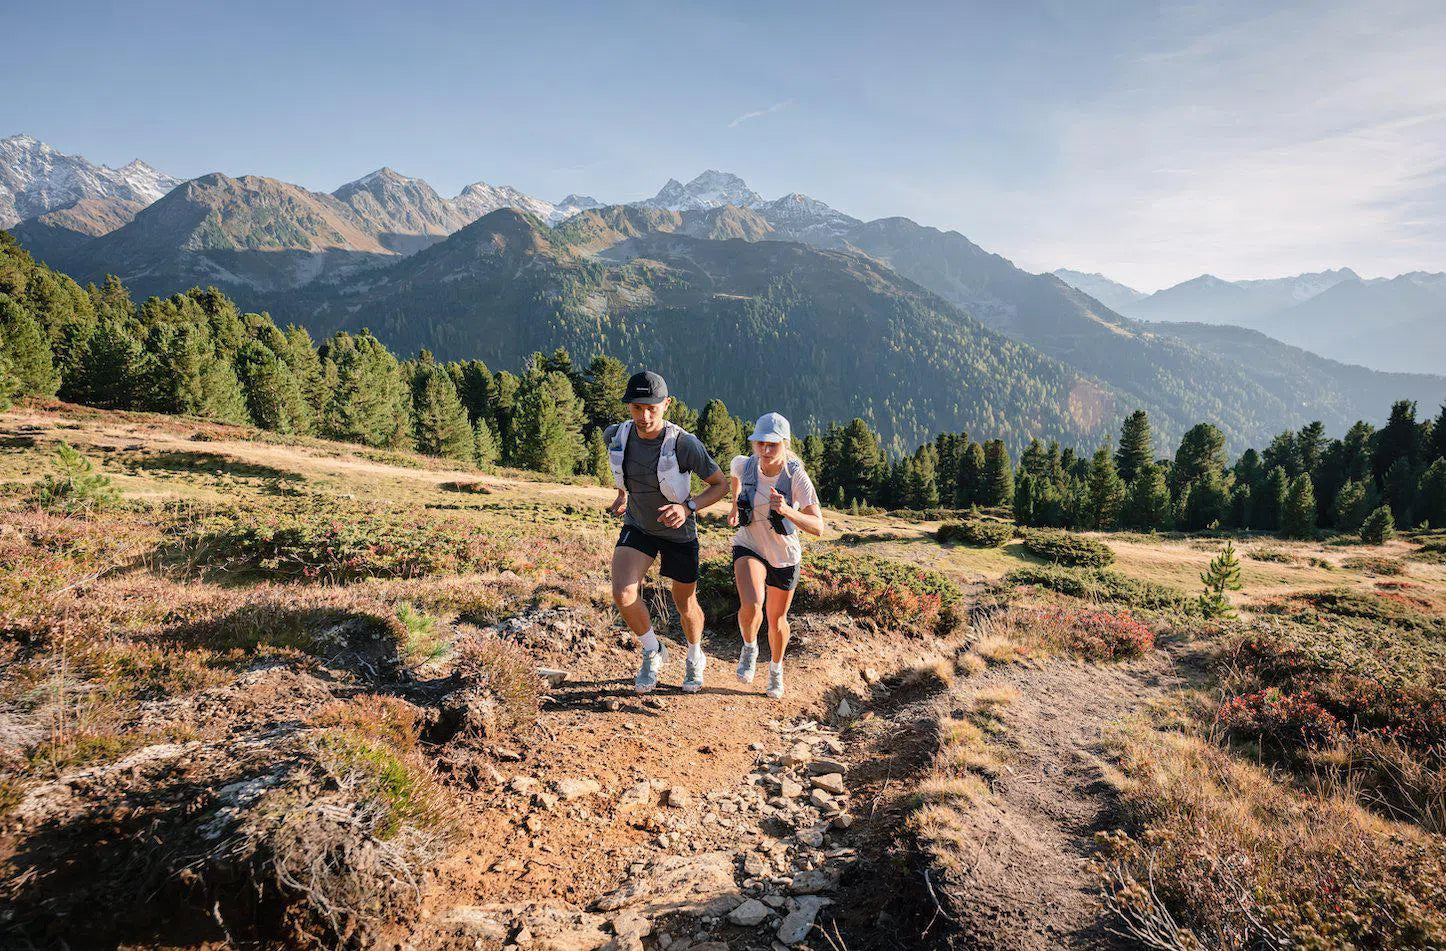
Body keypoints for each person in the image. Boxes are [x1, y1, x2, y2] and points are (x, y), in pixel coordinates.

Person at [605, 370, 728, 694]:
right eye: (637, 408)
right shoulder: (616, 436)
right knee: (623, 593)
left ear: (666, 404)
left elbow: (720, 485)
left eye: (652, 408)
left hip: (678, 533)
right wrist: (621, 495)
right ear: (629, 406)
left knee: (684, 603)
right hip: (639, 525)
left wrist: (688, 507)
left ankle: (694, 654)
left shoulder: (685, 444)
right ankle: (652, 650)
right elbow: (622, 472)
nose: (645, 416)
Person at [727, 412, 825, 699]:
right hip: (749, 544)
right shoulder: (743, 465)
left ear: (785, 443)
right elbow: (733, 476)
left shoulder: (796, 477)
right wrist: (734, 507)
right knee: (752, 603)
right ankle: (749, 647)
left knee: (777, 620)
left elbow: (818, 526)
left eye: (773, 445)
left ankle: (776, 669)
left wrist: (787, 511)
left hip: (784, 554)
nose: (765, 451)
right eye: (760, 444)